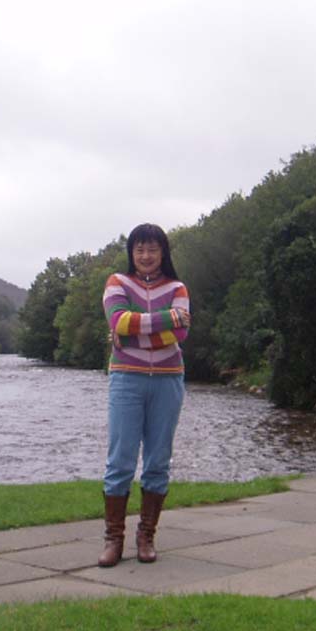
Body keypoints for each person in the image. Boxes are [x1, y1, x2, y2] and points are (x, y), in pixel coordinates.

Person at [98, 223, 191, 567]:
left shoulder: (178, 286)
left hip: (168, 380)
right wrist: (163, 320)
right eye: (139, 250)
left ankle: (146, 536)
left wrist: (133, 332)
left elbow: (180, 333)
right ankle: (113, 539)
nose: (146, 256)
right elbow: (117, 320)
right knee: (120, 460)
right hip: (126, 379)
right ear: (131, 253)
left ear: (163, 252)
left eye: (152, 249)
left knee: (157, 461)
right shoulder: (116, 283)